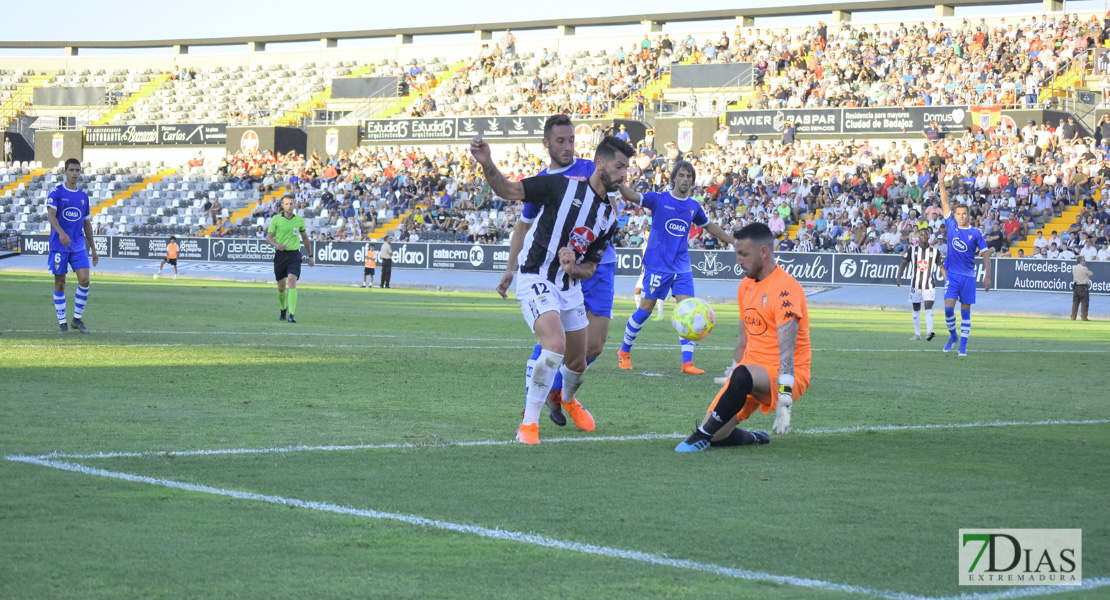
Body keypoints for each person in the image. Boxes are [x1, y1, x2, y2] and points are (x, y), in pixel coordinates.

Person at [473, 134, 632, 445]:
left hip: (569, 288)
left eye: (627, 168)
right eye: (619, 166)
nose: (624, 174)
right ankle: (528, 426)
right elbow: (509, 190)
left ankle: (569, 399)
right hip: (536, 278)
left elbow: (591, 268)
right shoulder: (559, 185)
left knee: (578, 362)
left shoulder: (609, 218)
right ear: (600, 163)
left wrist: (574, 267)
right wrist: (487, 163)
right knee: (554, 343)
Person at [676, 223, 810, 452]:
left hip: (785, 375)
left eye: (743, 254)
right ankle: (755, 437)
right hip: (749, 372)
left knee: (711, 427)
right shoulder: (745, 286)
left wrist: (785, 397)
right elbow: (743, 338)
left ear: (764, 252)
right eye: (737, 253)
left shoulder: (786, 290)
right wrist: (734, 369)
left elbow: (787, 351)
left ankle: (700, 436)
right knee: (718, 435)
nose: (738, 260)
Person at [616, 160, 735, 374]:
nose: (685, 179)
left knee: (688, 310)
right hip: (658, 265)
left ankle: (687, 363)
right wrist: (618, 182)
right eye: (681, 175)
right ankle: (624, 352)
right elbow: (633, 196)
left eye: (689, 176)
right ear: (673, 178)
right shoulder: (659, 199)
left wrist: (733, 241)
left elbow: (709, 226)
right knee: (644, 311)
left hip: (682, 267)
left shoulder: (693, 206)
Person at [938, 162, 992, 356]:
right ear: (955, 215)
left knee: (966, 312)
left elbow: (986, 254)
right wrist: (942, 182)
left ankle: (963, 346)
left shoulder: (976, 233)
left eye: (964, 214)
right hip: (952, 275)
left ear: (969, 216)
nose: (961, 217)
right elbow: (944, 201)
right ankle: (953, 336)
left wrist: (987, 276)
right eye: (958, 214)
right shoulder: (951, 225)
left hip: (968, 276)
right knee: (948, 311)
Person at [47, 158, 99, 334]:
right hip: (59, 245)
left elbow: (87, 224)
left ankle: (76, 320)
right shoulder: (56, 192)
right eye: (71, 170)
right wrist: (61, 233)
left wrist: (93, 248)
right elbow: (51, 216)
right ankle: (62, 323)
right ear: (65, 172)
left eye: (77, 170)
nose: (75, 173)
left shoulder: (83, 197)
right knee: (60, 283)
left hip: (78, 246)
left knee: (84, 280)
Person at [265, 193, 315, 323]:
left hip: (294, 254)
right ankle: (283, 308)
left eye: (291, 203)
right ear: (282, 205)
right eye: (286, 204)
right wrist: (277, 245)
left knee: (292, 281)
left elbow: (305, 238)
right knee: (281, 287)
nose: (289, 206)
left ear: (294, 204)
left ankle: (292, 315)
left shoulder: (299, 220)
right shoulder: (276, 219)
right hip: (280, 255)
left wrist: (310, 256)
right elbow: (268, 238)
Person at [897, 228, 944, 341]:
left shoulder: (935, 251)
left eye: (925, 234)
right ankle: (917, 334)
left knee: (928, 306)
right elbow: (904, 263)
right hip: (915, 284)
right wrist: (899, 277)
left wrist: (947, 280)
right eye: (921, 234)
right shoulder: (912, 250)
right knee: (916, 308)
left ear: (928, 237)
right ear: (918, 237)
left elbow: (941, 266)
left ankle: (929, 333)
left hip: (929, 285)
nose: (923, 236)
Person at [1071, 257, 1094, 321]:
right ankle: (1084, 317)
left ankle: (1073, 316)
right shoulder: (1084, 268)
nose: (1085, 261)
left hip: (1076, 286)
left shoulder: (1074, 268)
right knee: (1084, 302)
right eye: (1084, 260)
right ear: (1081, 261)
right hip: (1083, 287)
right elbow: (1091, 273)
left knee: (1075, 302)